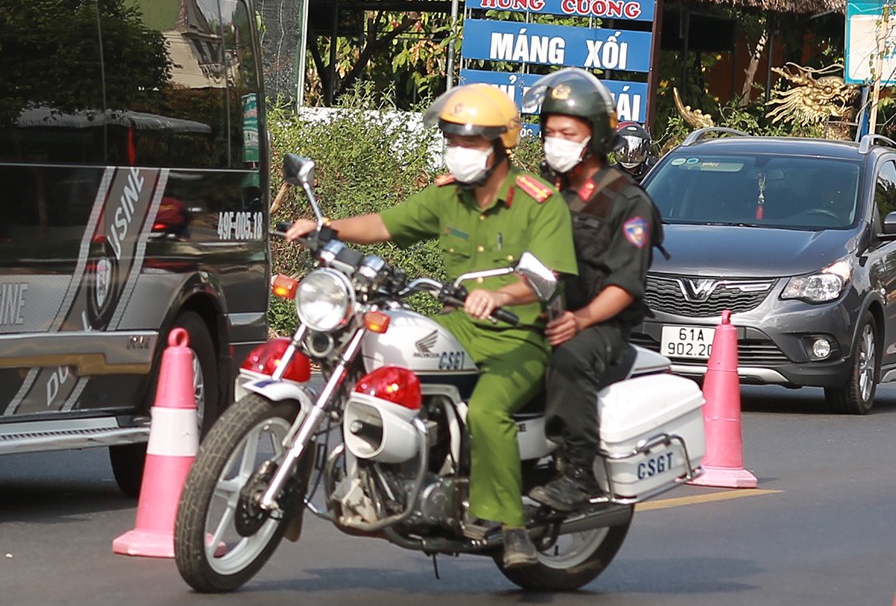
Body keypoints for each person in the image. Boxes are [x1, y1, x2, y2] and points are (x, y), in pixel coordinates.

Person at [280, 82, 577, 552]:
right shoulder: (447, 197)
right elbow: (386, 224)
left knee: (486, 409)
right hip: (457, 325)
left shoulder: (539, 202)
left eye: (472, 142)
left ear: (502, 146)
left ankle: (510, 526)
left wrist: (499, 297)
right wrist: (325, 228)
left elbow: (546, 276)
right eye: (454, 141)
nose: (459, 152)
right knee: (392, 364)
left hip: (519, 337)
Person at [524, 70, 661, 515]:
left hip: (600, 324)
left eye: (569, 133)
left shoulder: (626, 201)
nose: (555, 141)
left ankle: (576, 473)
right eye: (549, 132)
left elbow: (625, 284)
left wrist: (580, 320)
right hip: (539, 309)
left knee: (569, 354)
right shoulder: (542, 192)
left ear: (596, 136)